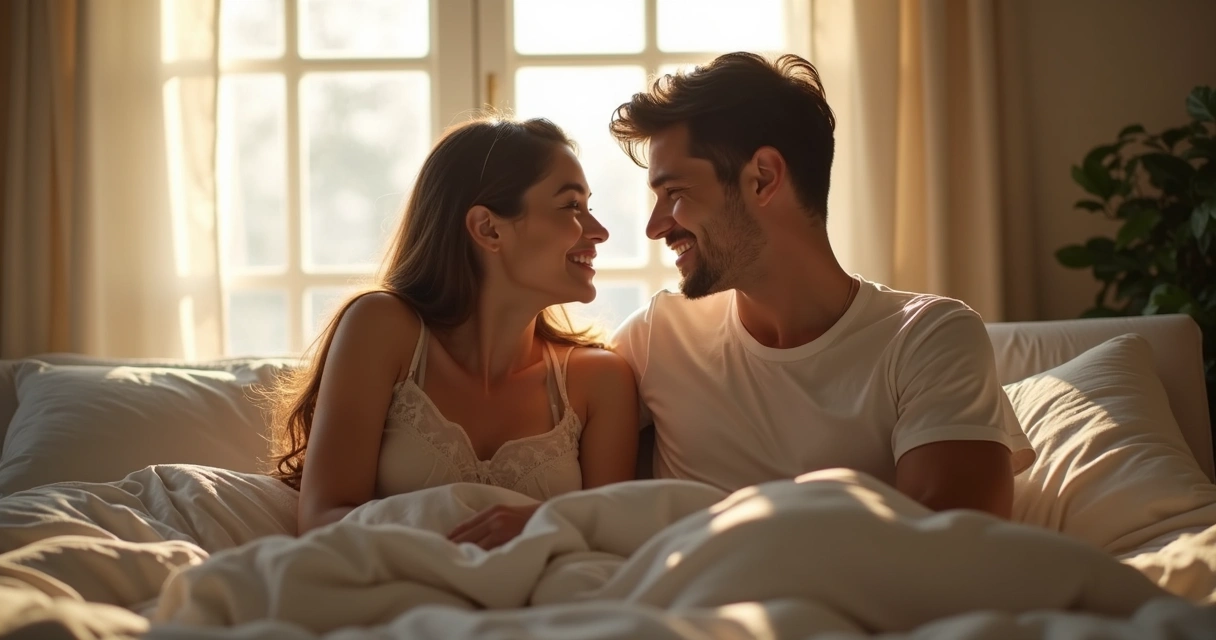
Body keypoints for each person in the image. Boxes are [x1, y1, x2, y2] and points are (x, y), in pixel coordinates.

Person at [608, 52, 1035, 518]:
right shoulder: (657, 336)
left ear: (763, 178)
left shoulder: (927, 338)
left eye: (675, 193)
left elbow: (955, 547)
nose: (654, 227)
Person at [267, 116, 639, 547]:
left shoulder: (600, 381)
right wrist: (468, 546)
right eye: (571, 206)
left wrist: (539, 526)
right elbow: (322, 520)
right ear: (488, 228)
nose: (599, 232)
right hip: (402, 601)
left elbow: (612, 542)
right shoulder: (381, 329)